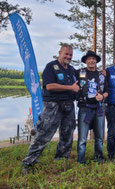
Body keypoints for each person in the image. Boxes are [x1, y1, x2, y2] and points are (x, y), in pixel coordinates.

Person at [22, 44, 79, 173]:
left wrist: (103, 73)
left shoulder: (71, 70)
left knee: (67, 134)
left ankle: (61, 159)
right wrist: (70, 88)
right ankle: (28, 163)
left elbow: (82, 77)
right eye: (66, 54)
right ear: (60, 53)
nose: (68, 57)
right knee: (44, 134)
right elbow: (50, 86)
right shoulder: (51, 67)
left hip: (68, 106)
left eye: (70, 55)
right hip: (53, 106)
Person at [76, 50, 108, 164]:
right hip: (84, 108)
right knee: (82, 139)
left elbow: (107, 91)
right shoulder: (79, 73)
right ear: (85, 61)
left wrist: (102, 96)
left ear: (96, 61)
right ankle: (80, 162)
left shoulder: (101, 75)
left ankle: (99, 159)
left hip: (98, 109)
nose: (91, 61)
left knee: (99, 138)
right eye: (89, 59)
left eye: (93, 59)